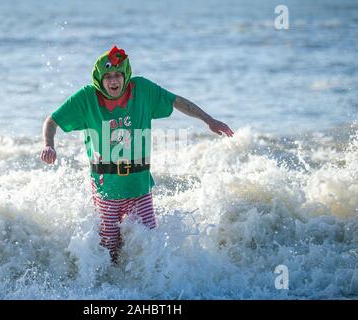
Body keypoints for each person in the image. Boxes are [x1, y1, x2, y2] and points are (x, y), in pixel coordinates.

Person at [40, 46, 234, 262]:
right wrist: (49, 144)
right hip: (107, 189)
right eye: (108, 76)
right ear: (100, 79)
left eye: (118, 75)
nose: (114, 81)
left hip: (139, 187)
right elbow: (52, 121)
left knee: (150, 246)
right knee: (109, 252)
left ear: (125, 76)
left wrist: (209, 120)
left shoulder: (141, 89)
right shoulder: (87, 98)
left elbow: (177, 101)